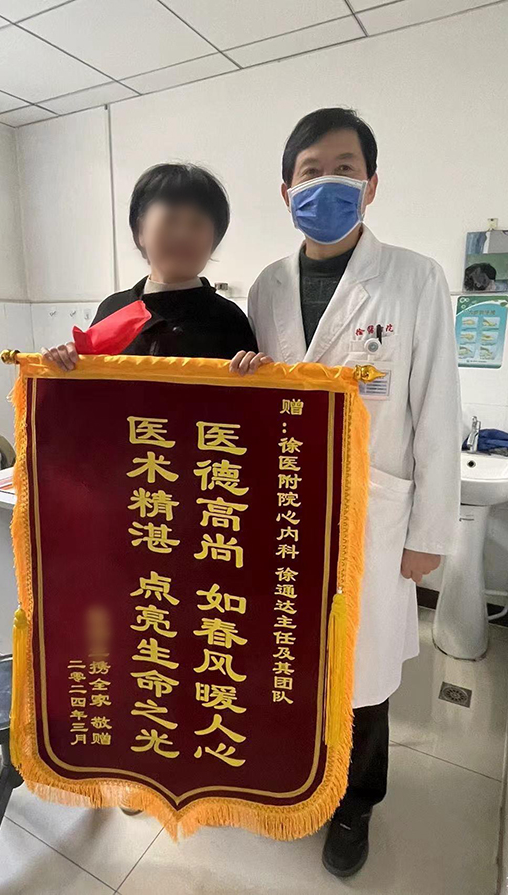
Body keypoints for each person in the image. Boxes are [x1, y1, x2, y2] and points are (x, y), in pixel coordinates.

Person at [231, 107, 461, 878]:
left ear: (371, 184)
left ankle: (357, 802)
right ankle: (298, 779)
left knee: (362, 675)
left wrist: (429, 532)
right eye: (310, 171)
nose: (326, 183)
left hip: (374, 515)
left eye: (344, 168)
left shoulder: (415, 278)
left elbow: (437, 411)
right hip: (285, 515)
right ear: (285, 189)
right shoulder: (266, 287)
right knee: (290, 663)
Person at [42, 163, 257, 370]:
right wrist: (66, 363)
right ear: (140, 232)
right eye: (170, 220)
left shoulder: (229, 321)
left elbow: (249, 392)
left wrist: (256, 371)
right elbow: (91, 387)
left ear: (214, 241)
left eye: (197, 224)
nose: (183, 234)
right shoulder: (113, 309)